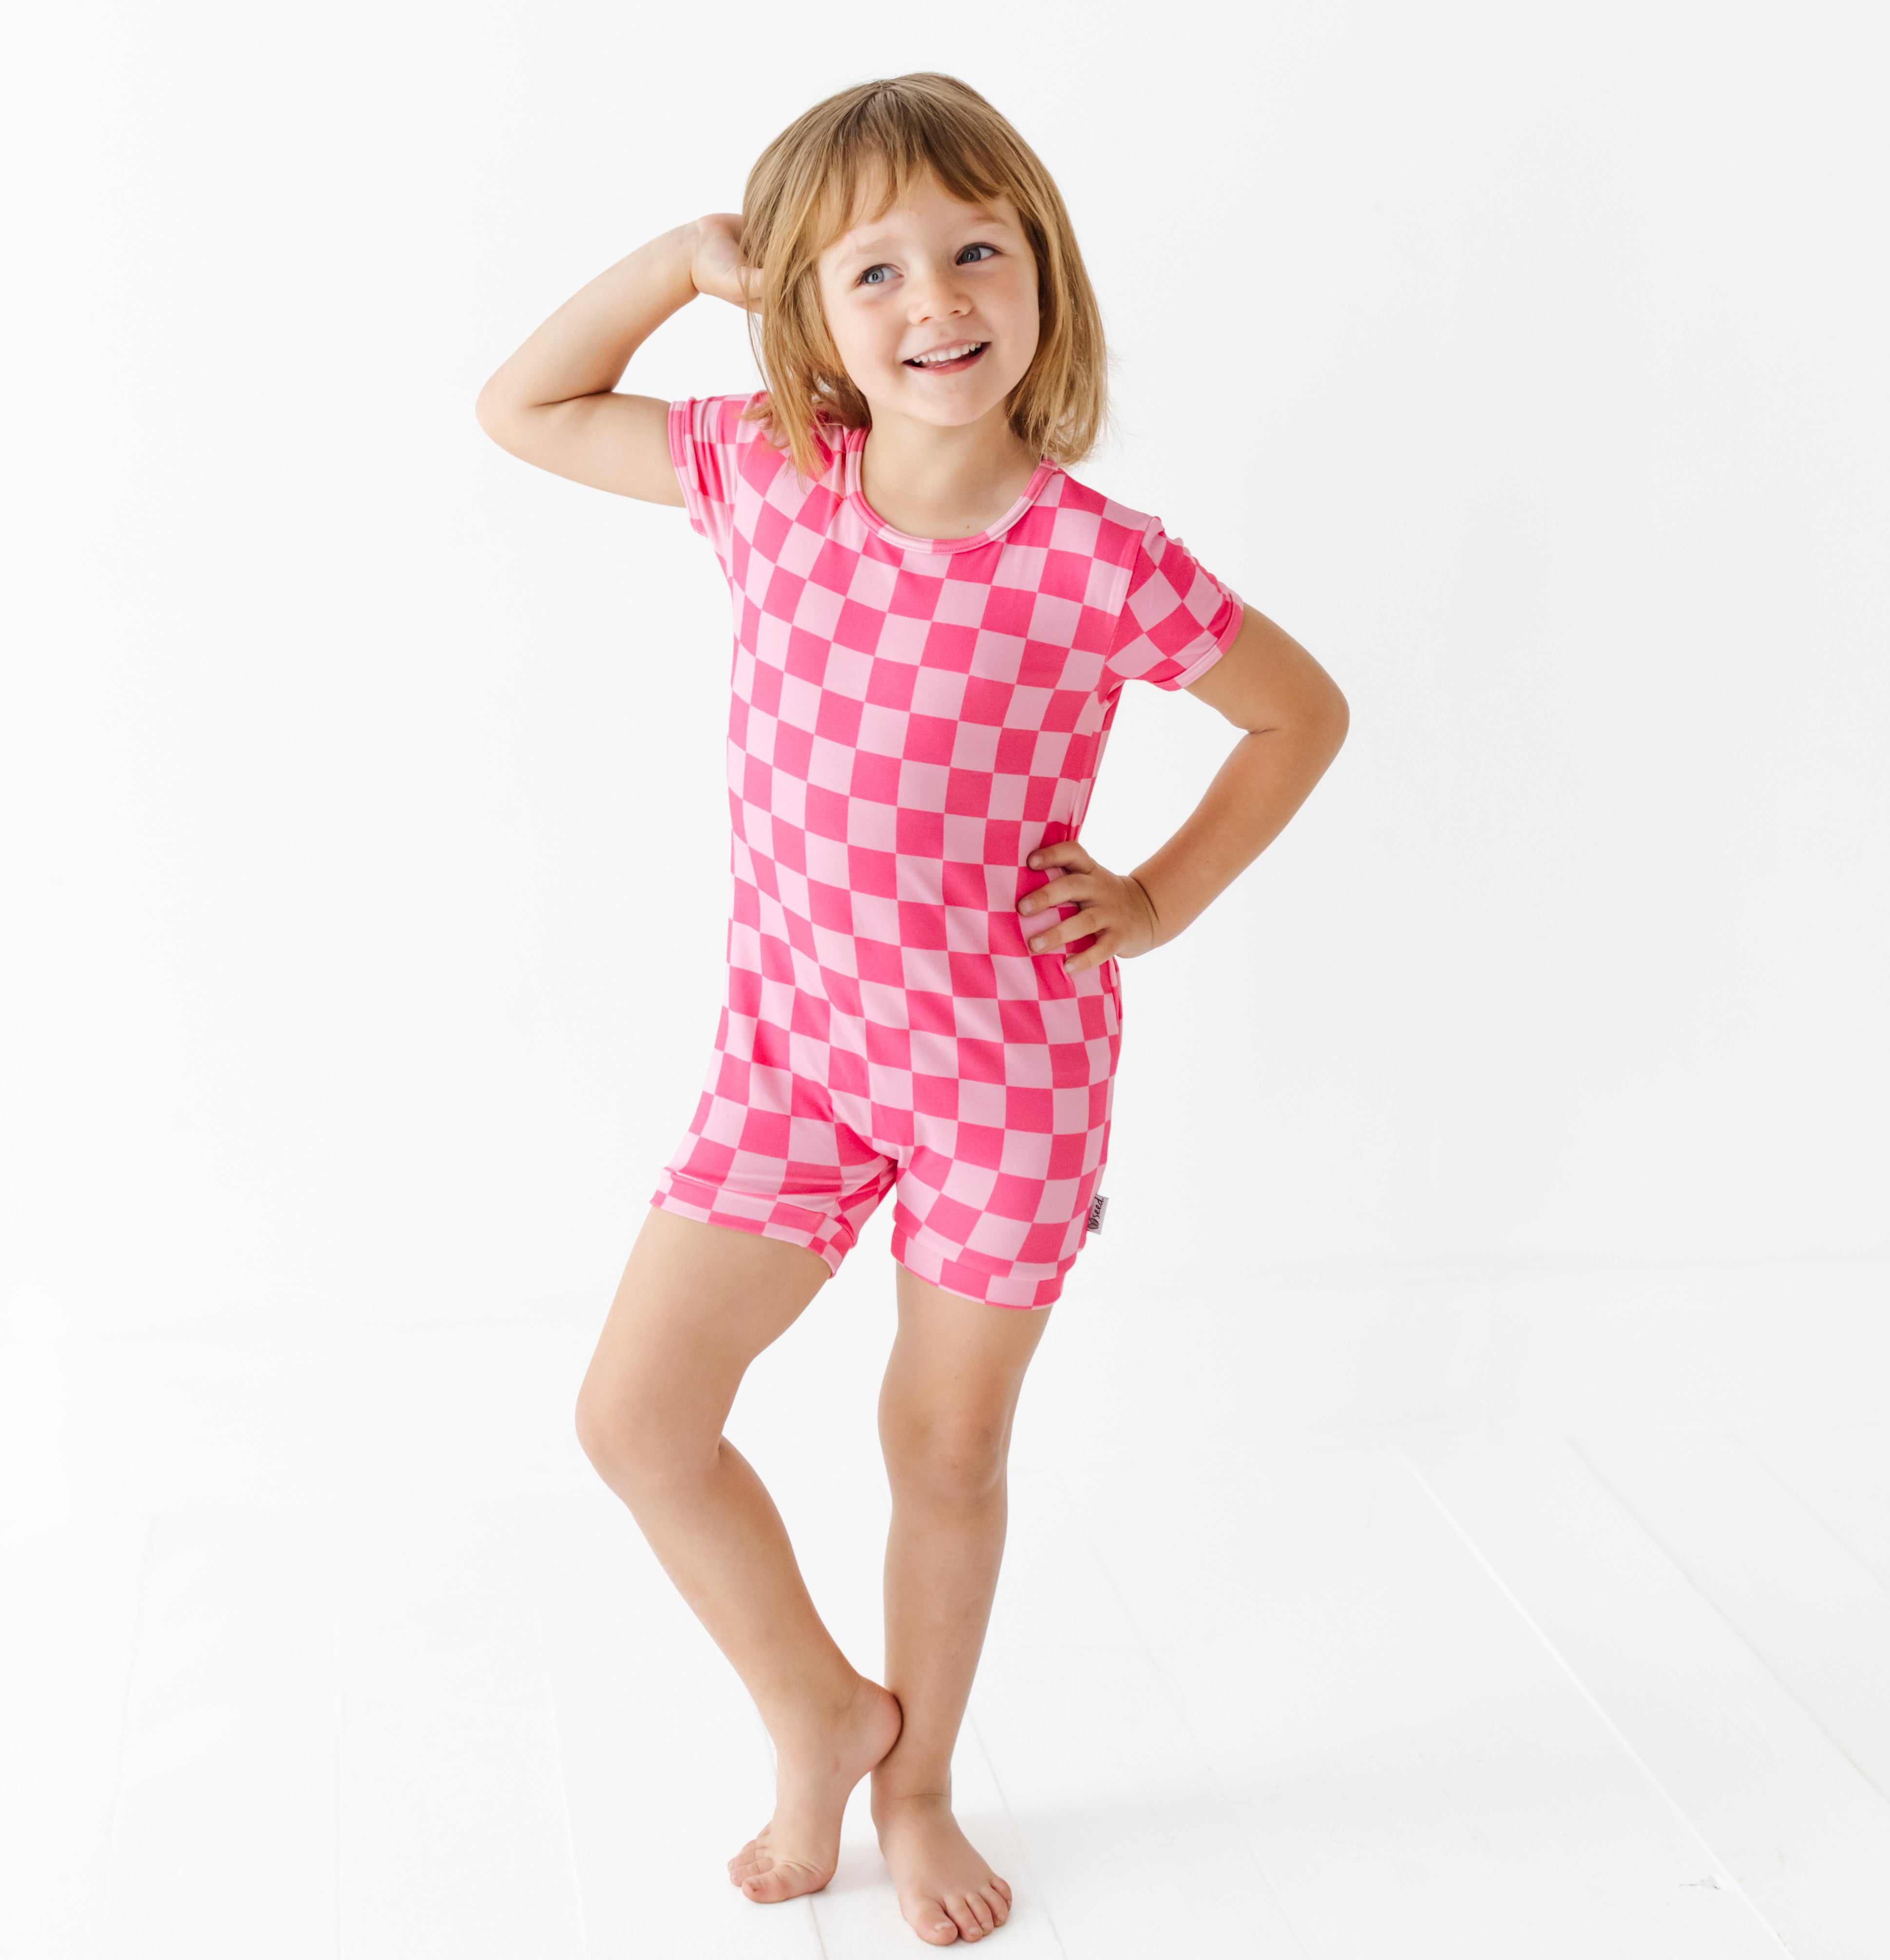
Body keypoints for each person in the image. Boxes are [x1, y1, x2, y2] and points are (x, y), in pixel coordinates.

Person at [475, 71, 1348, 1948]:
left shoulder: (1099, 560)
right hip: (794, 1061)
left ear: (1043, 274)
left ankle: (921, 1777)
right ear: (806, 308)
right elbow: (523, 408)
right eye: (871, 270)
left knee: (942, 1449)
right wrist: (682, 263)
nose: (935, 299)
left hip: (1006, 1082)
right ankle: (821, 1709)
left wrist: (1157, 898)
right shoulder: (767, 475)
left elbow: (1301, 715)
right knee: (638, 1419)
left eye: (974, 251)